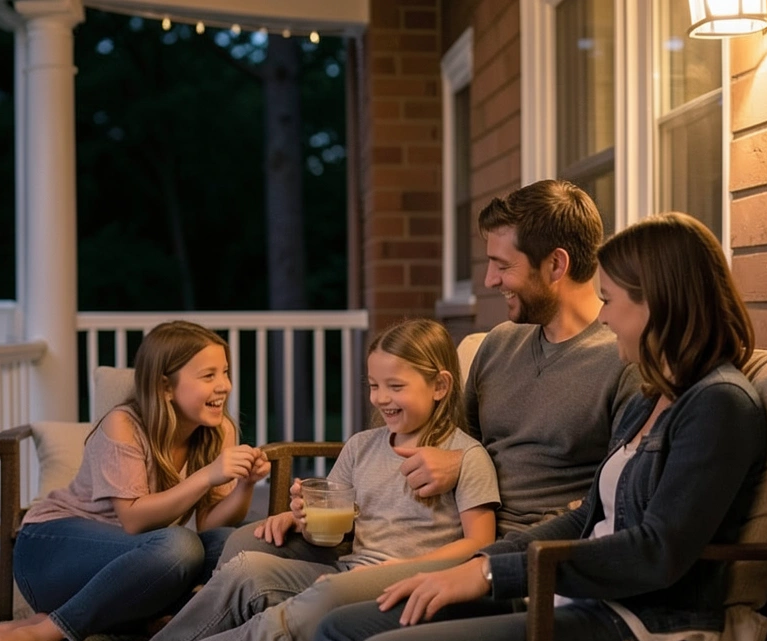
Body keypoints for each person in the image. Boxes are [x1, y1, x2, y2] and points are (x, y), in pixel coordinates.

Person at [310, 212, 767, 641]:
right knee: (340, 634)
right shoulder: (655, 394)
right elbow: (586, 516)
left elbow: (657, 553)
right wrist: (478, 566)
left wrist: (490, 576)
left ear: (657, 304)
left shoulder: (719, 405)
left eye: (612, 300)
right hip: (565, 595)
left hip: (644, 638)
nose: (606, 316)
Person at [33, 318, 501, 641]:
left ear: (439, 386)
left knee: (288, 617)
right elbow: (342, 528)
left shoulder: (466, 456)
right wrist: (297, 519)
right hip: (347, 570)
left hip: (403, 583)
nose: (381, 398)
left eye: (396, 387)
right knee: (245, 568)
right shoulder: (361, 446)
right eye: (374, 385)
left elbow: (479, 545)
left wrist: (399, 572)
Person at [216, 178, 638, 572]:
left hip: (507, 552)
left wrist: (464, 475)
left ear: (556, 265)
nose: (490, 280)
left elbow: (618, 493)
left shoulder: (621, 361)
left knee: (301, 598)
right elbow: (445, 440)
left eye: (502, 266)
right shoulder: (499, 345)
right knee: (246, 546)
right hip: (430, 530)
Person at [0, 320, 270, 641]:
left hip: (129, 570)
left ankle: (38, 625)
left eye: (225, 372)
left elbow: (211, 521)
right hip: (50, 552)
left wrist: (244, 485)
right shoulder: (124, 423)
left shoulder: (216, 430)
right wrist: (207, 475)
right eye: (208, 375)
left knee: (237, 543)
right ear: (165, 386)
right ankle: (45, 634)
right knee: (180, 547)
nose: (224, 385)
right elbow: (134, 520)